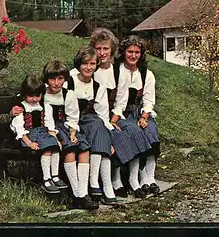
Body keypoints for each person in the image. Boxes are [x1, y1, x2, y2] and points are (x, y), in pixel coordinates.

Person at [84, 28, 152, 199]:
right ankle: (115, 181)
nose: (101, 53)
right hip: (92, 116)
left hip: (113, 115)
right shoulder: (89, 69)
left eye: (105, 49)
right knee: (116, 136)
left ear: (112, 50)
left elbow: (120, 101)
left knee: (134, 131)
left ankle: (134, 180)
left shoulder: (117, 71)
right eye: (98, 49)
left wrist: (114, 119)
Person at [42, 60, 98, 210]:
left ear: (65, 79)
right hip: (48, 129)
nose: (56, 83)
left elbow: (73, 116)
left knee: (84, 149)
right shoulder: (41, 93)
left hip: (64, 126)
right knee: (70, 149)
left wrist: (73, 131)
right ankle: (77, 194)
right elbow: (24, 99)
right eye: (52, 79)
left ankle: (83, 193)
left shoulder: (68, 94)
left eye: (60, 79)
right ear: (46, 79)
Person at [67, 46, 118, 205]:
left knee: (100, 125)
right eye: (85, 63)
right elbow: (49, 91)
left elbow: (103, 114)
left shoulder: (98, 86)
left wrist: (109, 137)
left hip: (88, 120)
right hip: (70, 121)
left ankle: (100, 184)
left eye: (93, 64)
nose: (89, 67)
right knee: (98, 126)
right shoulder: (69, 79)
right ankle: (100, 185)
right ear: (78, 64)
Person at [115, 35, 161, 196]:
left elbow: (149, 100)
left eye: (137, 52)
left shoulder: (146, 74)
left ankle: (149, 177)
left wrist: (144, 116)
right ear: (123, 52)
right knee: (133, 134)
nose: (133, 55)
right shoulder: (117, 70)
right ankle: (133, 178)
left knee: (151, 131)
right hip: (120, 112)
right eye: (130, 51)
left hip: (138, 111)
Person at [9, 74, 65, 194]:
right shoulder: (21, 108)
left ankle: (55, 175)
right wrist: (29, 143)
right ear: (24, 94)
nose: (34, 99)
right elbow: (19, 129)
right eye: (31, 96)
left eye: (37, 96)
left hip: (42, 132)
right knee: (47, 149)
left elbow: (49, 124)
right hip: (29, 135)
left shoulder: (44, 106)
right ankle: (46, 179)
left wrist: (55, 138)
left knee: (55, 147)